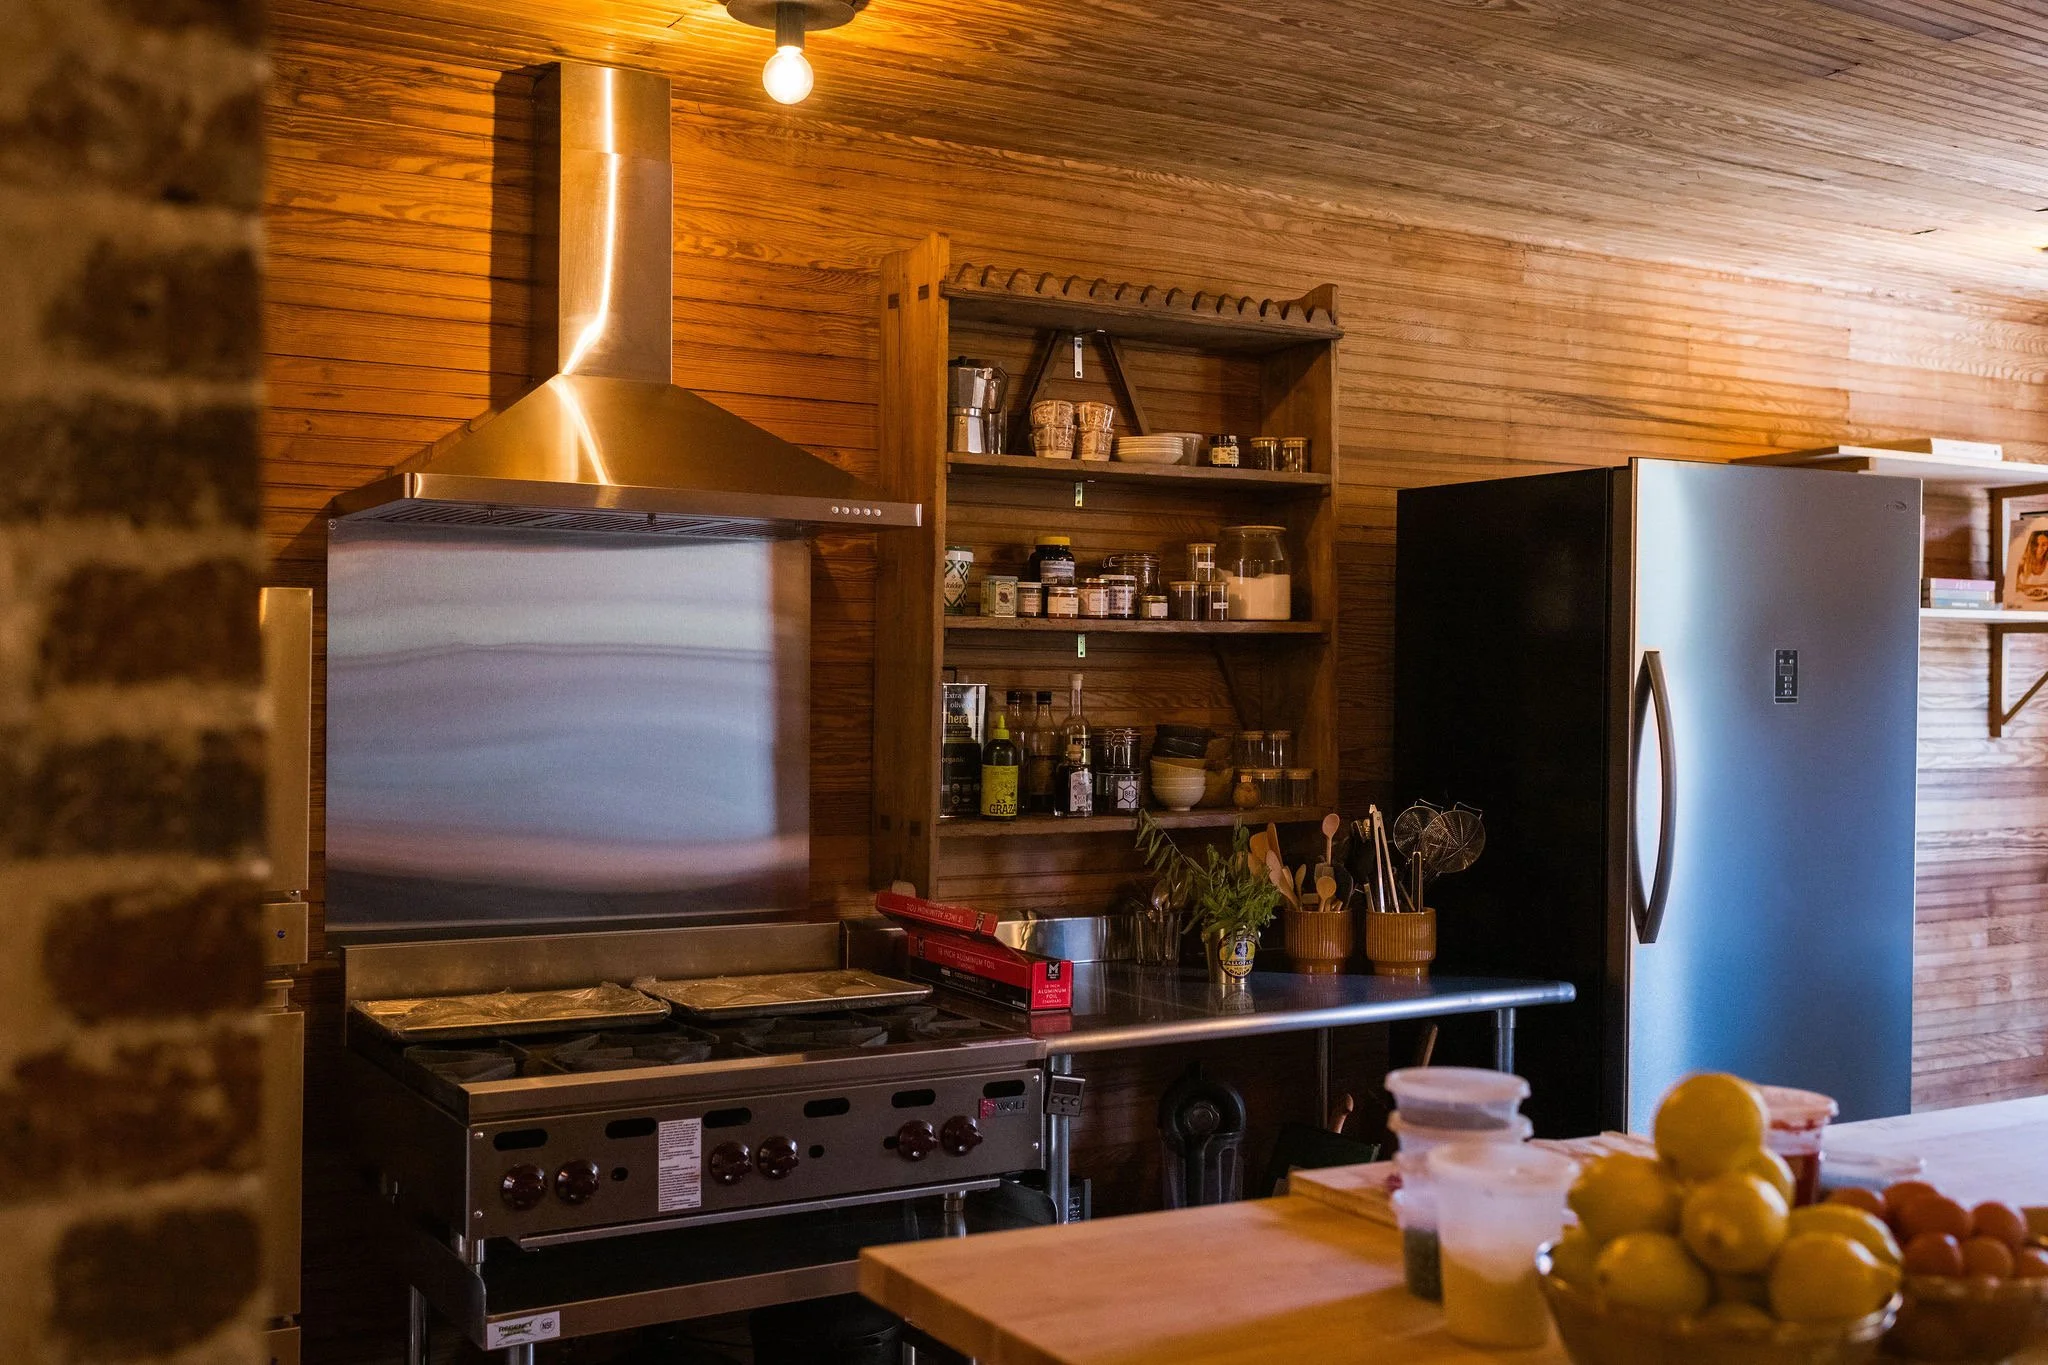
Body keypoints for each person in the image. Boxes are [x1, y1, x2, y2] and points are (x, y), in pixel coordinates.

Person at [2008, 522, 2048, 607]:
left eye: (2044, 544)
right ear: (2031, 545)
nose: (2040, 548)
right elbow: (2013, 586)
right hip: (2025, 604)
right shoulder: (2022, 561)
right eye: (2037, 544)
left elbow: (2021, 586)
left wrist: (2026, 587)